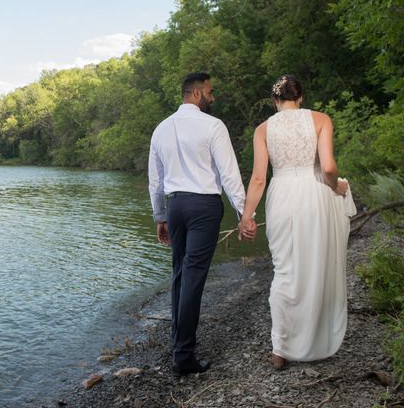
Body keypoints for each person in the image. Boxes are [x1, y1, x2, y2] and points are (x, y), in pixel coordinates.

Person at [238, 74, 352, 369]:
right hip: (315, 193)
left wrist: (247, 216)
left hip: (282, 196)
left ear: (274, 100)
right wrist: (338, 186)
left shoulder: (263, 129)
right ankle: (315, 336)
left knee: (285, 269)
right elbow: (327, 167)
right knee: (315, 263)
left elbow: (259, 178)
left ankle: (280, 347)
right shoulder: (320, 119)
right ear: (300, 98)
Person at [148, 72, 253, 376]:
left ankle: (178, 345)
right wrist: (245, 214)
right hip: (204, 206)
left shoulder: (161, 129)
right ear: (195, 94)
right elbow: (230, 174)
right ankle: (183, 357)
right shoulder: (213, 126)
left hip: (176, 204)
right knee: (192, 277)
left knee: (181, 274)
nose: (213, 96)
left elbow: (155, 181)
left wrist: (161, 216)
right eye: (210, 91)